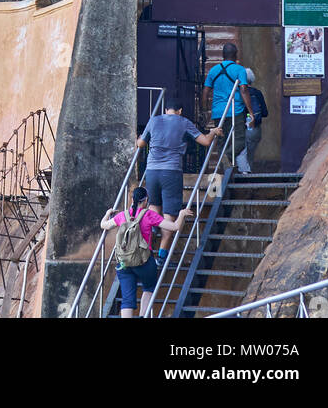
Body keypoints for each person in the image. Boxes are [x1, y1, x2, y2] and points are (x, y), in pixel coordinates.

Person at [137, 97, 223, 263]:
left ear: (165, 110)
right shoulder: (183, 122)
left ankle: (151, 238)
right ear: (180, 111)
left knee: (154, 205)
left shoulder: (154, 121)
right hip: (171, 172)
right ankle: (161, 255)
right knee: (169, 215)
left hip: (152, 170)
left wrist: (137, 139)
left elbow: (140, 144)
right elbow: (205, 142)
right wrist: (213, 132)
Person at [99, 186, 189, 318]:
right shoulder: (149, 215)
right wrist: (181, 214)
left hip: (124, 263)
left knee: (127, 299)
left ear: (132, 199)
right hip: (144, 262)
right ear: (146, 200)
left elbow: (103, 225)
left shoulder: (122, 215)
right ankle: (143, 316)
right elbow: (175, 227)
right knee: (148, 289)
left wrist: (108, 213)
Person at [202, 42, 256, 173]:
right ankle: (227, 157)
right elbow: (243, 89)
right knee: (240, 140)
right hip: (234, 111)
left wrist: (204, 111)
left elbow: (205, 92)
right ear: (236, 54)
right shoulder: (239, 70)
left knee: (221, 142)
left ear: (222, 55)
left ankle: (225, 172)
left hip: (217, 112)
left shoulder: (213, 70)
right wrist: (251, 113)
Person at [243, 68, 269, 173]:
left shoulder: (239, 93)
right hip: (254, 128)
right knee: (250, 155)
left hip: (240, 126)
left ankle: (240, 173)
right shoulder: (257, 93)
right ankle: (247, 175)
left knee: (239, 151)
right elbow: (265, 113)